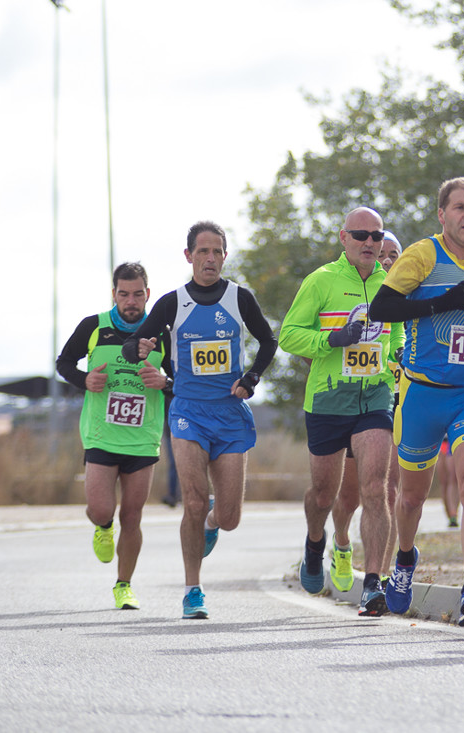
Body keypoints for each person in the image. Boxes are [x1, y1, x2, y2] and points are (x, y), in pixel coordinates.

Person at [369, 176, 464, 626]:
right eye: (460, 207)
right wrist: (439, 303)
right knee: (411, 498)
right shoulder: (422, 256)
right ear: (442, 214)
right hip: (422, 394)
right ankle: (404, 559)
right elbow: (382, 308)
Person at [123, 221, 278, 620]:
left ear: (225, 256)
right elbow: (132, 345)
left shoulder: (239, 298)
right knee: (191, 500)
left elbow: (269, 340)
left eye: (217, 251)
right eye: (203, 251)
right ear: (188, 255)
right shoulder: (172, 303)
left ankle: (212, 520)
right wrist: (139, 347)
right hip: (188, 412)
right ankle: (193, 590)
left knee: (229, 518)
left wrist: (251, 379)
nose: (210, 258)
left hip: (229, 414)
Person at [279, 211, 403, 616]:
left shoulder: (391, 284)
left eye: (376, 236)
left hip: (375, 398)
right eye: (361, 235)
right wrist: (332, 339)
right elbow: (289, 335)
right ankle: (316, 543)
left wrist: (398, 354)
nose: (369, 242)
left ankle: (374, 583)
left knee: (375, 489)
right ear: (343, 237)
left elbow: (397, 331)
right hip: (328, 399)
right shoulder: (321, 280)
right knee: (323, 494)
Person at [56, 262, 171, 610]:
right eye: (124, 294)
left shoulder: (163, 333)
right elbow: (64, 363)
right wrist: (84, 380)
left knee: (132, 516)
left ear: (147, 294)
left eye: (137, 294)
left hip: (142, 437)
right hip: (100, 435)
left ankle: (124, 586)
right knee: (100, 509)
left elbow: (182, 380)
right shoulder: (93, 326)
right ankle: (103, 526)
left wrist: (165, 382)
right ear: (114, 294)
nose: (130, 301)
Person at [436, 439, 459, 527]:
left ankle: (454, 514)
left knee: (453, 479)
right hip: (439, 442)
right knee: (444, 482)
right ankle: (449, 515)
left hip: (451, 441)